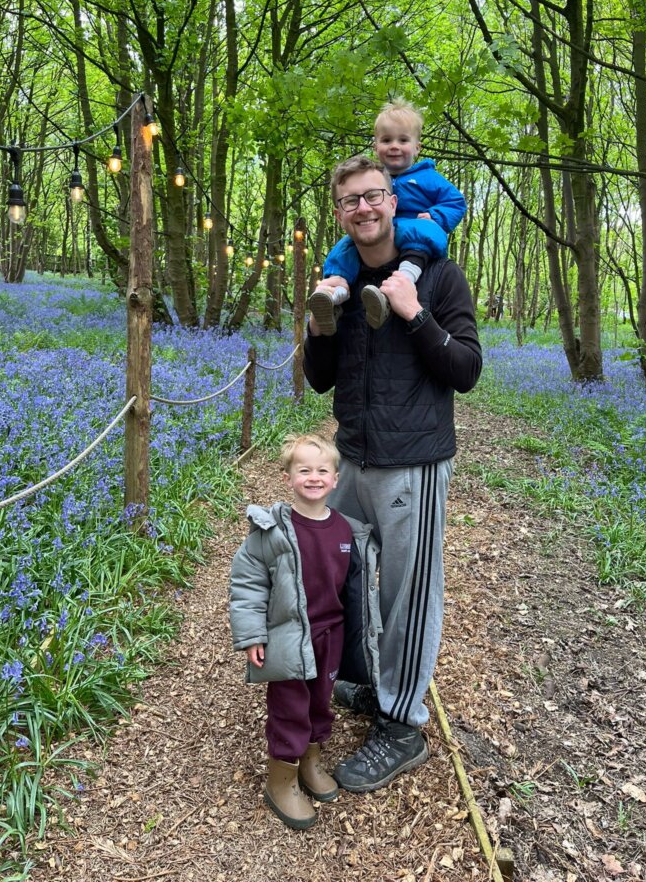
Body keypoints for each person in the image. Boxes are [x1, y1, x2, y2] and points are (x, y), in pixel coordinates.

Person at [303, 155, 482, 794]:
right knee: (340, 575)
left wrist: (414, 313)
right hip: (353, 456)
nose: (364, 209)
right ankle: (366, 680)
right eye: (350, 201)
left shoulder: (437, 275)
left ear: (394, 200)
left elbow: (465, 369)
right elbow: (319, 377)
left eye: (373, 196)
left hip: (415, 464)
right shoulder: (340, 278)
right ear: (340, 213)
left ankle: (402, 723)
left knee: (406, 595)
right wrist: (321, 320)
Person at [228, 434, 379, 829]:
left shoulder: (346, 530)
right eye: (303, 470)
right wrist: (252, 635)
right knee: (289, 706)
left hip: (331, 634)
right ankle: (282, 778)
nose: (313, 477)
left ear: (335, 479)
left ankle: (311, 759)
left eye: (322, 471)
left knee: (320, 701)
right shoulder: (272, 531)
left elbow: (356, 590)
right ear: (288, 477)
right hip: (288, 637)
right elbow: (247, 583)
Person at [308, 99, 466, 334]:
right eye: (386, 140)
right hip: (385, 231)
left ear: (417, 147)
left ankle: (401, 282)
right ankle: (334, 294)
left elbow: (456, 202)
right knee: (342, 249)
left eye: (403, 140)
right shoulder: (370, 178)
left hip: (414, 227)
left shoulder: (427, 177)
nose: (394, 146)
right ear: (375, 146)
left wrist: (435, 216)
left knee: (425, 232)